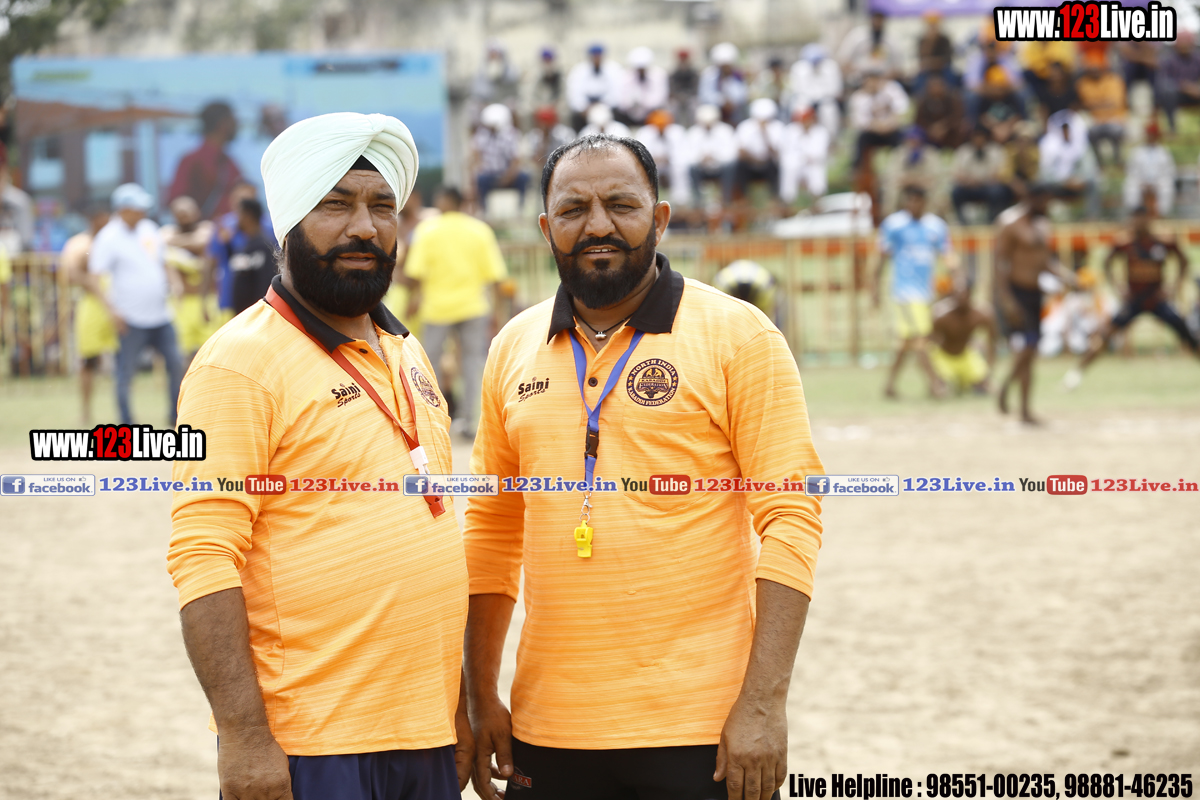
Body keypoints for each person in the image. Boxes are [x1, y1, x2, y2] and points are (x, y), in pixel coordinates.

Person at [464, 133, 823, 800]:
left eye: (621, 205)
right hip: (548, 729)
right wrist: (479, 693)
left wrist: (763, 703)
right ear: (546, 228)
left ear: (659, 218)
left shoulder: (741, 337)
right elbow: (490, 527)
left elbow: (792, 519)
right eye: (573, 210)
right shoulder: (512, 346)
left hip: (703, 731)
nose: (597, 225)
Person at [167, 111, 473, 800]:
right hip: (311, 742)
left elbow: (429, 533)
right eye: (336, 204)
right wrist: (244, 737)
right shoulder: (239, 362)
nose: (364, 227)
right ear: (289, 221)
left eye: (382, 206)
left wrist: (452, 705)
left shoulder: (408, 351)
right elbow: (203, 554)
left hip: (424, 734)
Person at [404, 186, 507, 437]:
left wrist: (413, 300)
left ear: (444, 202)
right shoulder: (479, 230)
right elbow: (495, 276)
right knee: (472, 364)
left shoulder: (427, 230)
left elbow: (415, 274)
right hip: (473, 307)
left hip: (436, 309)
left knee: (430, 366)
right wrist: (497, 312)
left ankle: (435, 421)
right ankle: (471, 422)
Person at [1064, 206, 1198, 389]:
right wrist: (1118, 288)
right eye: (1135, 219)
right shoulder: (1125, 242)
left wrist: (1173, 287)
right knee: (1105, 335)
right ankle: (1076, 373)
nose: (1139, 223)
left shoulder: (1163, 241)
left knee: (1187, 334)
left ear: (1150, 219)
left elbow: (1183, 261)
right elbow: (1107, 262)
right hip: (1135, 300)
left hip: (1157, 299)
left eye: (1142, 218)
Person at [85, 183, 184, 426]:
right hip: (130, 318)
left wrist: (175, 283)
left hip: (161, 315)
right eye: (138, 208)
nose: (143, 212)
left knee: (176, 363)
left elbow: (163, 261)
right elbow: (95, 278)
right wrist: (112, 311)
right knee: (126, 372)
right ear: (123, 210)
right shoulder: (108, 237)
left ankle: (175, 416)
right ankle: (126, 423)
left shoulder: (149, 229)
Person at [994, 184, 1078, 423]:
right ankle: (1008, 387)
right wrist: (1006, 299)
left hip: (1034, 294)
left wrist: (1068, 278)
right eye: (1045, 201)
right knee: (1028, 347)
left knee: (1031, 352)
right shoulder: (1010, 223)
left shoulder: (1042, 225)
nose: (1048, 206)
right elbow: (1000, 262)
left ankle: (1024, 409)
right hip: (1015, 294)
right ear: (1032, 199)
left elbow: (1044, 261)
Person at [873, 184, 954, 399]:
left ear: (925, 202)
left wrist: (955, 276)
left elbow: (948, 256)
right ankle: (936, 384)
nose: (914, 204)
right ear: (905, 202)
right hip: (905, 293)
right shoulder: (894, 225)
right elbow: (881, 258)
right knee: (921, 338)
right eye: (911, 200)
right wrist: (874, 288)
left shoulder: (936, 226)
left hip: (926, 293)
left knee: (906, 342)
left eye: (918, 200)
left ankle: (889, 386)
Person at [63, 203, 115, 423]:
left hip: (119, 304)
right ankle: (86, 412)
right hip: (92, 306)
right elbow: (71, 274)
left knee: (124, 360)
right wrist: (96, 288)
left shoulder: (117, 240)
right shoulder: (80, 244)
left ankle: (123, 412)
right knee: (88, 361)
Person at [208, 180, 276, 322]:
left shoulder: (268, 234)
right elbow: (219, 261)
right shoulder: (226, 228)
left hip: (260, 310)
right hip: (234, 304)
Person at [161, 196, 216, 367]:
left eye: (187, 214)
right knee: (181, 354)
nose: (184, 218)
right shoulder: (167, 231)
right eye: (179, 215)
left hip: (207, 300)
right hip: (181, 302)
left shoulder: (207, 228)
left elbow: (203, 241)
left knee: (213, 351)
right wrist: (192, 243)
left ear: (196, 212)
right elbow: (162, 241)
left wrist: (177, 244)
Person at [168, 101, 244, 219]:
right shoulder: (192, 161)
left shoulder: (229, 162)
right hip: (205, 229)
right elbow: (178, 200)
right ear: (223, 124)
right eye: (233, 120)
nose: (237, 125)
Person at [930, 282, 997, 394]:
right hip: (943, 355)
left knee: (989, 388)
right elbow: (930, 342)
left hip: (965, 354)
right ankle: (946, 381)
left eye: (963, 294)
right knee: (942, 391)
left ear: (970, 295)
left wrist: (988, 368)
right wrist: (933, 378)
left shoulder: (982, 314)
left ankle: (970, 382)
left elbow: (992, 341)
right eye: (956, 294)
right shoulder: (941, 315)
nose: (960, 298)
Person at [1039, 109, 1099, 218]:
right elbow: (1045, 173)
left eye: (1067, 129)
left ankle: (1091, 217)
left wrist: (1079, 180)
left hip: (1078, 184)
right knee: (1040, 186)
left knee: (1093, 183)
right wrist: (1063, 181)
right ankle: (1044, 218)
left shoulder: (1082, 145)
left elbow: (1090, 170)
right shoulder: (1048, 146)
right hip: (1056, 185)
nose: (1065, 132)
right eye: (1062, 129)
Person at [848, 64, 908, 168]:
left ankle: (902, 167)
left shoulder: (891, 88)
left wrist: (889, 124)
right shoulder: (858, 97)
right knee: (861, 139)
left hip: (891, 129)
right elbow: (860, 121)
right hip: (872, 132)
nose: (873, 83)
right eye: (870, 79)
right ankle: (858, 169)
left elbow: (901, 109)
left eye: (876, 79)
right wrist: (878, 126)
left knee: (903, 137)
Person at [473, 104, 530, 214]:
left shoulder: (511, 135)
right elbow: (476, 155)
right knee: (480, 179)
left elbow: (516, 160)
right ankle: (484, 211)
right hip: (489, 175)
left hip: (508, 174)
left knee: (523, 177)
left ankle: (521, 209)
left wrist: (508, 177)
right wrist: (480, 168)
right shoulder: (482, 135)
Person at [951, 126, 1014, 224]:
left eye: (981, 136)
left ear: (986, 138)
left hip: (988, 187)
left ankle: (994, 220)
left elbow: (1001, 173)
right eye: (976, 136)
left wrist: (987, 180)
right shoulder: (963, 151)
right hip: (969, 187)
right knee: (956, 192)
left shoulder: (996, 150)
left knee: (999, 191)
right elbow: (956, 173)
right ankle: (962, 221)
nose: (978, 139)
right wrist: (968, 181)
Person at [227, 197, 277, 314]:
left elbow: (265, 283)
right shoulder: (246, 245)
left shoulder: (264, 246)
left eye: (239, 213)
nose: (236, 218)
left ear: (248, 215)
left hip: (257, 315)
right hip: (245, 316)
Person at [686, 103, 738, 208]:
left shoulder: (725, 131)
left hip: (721, 167)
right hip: (701, 168)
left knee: (730, 166)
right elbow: (688, 154)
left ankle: (726, 199)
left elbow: (732, 153)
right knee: (691, 168)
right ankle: (697, 201)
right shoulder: (693, 132)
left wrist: (715, 157)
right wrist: (701, 159)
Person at [1075, 63, 1128, 166]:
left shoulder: (1113, 80)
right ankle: (1098, 163)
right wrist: (1103, 104)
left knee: (1117, 131)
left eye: (1098, 69)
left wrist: (1096, 105)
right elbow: (1084, 104)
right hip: (1095, 120)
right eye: (1092, 70)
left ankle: (1118, 161)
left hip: (1113, 118)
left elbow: (1114, 103)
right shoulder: (1083, 83)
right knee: (1088, 133)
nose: (1095, 72)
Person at [635, 108, 690, 205]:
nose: (661, 129)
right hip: (654, 164)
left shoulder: (677, 132)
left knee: (679, 168)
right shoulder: (645, 133)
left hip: (671, 164)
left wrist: (669, 159)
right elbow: (641, 153)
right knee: (644, 169)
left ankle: (680, 199)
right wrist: (653, 159)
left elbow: (682, 153)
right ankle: (647, 198)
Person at [566, 44, 626, 132]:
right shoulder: (578, 71)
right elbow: (574, 94)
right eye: (594, 56)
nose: (596, 59)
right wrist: (583, 108)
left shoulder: (614, 69)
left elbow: (617, 93)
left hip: (607, 107)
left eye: (599, 56)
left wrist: (604, 106)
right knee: (576, 119)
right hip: (586, 109)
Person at [734, 97, 784, 201]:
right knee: (738, 165)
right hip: (750, 163)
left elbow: (777, 154)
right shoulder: (745, 126)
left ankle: (775, 199)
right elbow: (741, 152)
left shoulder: (778, 127)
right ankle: (742, 199)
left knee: (778, 166)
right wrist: (755, 160)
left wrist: (764, 134)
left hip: (768, 164)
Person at [837, 10, 903, 87]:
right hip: (859, 81)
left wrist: (880, 80)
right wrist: (859, 73)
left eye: (880, 18)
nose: (877, 22)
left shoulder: (891, 39)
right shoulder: (857, 35)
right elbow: (843, 60)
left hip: (883, 82)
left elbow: (898, 68)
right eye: (876, 18)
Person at [779, 106, 831, 203]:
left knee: (817, 171)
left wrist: (807, 158)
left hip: (813, 163)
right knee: (789, 168)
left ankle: (817, 200)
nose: (805, 122)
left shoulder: (821, 132)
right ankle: (788, 201)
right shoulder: (790, 130)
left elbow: (820, 154)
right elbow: (786, 152)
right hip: (795, 163)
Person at [1123, 122, 1175, 215]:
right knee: (1130, 185)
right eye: (1149, 135)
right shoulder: (1137, 152)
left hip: (1158, 182)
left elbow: (1169, 172)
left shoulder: (1164, 152)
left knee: (1167, 187)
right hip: (1141, 181)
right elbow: (1132, 171)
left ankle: (1162, 214)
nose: (1150, 137)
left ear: (1156, 137)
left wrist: (1156, 183)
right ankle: (1135, 212)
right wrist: (1142, 183)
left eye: (1152, 135)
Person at [789, 44, 842, 135]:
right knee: (801, 119)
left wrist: (821, 99)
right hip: (806, 102)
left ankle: (830, 139)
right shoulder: (799, 68)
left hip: (825, 103)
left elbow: (836, 89)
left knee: (829, 120)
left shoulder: (831, 67)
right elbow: (796, 89)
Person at [1156, 31, 1200, 132]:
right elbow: (1163, 81)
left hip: (1196, 93)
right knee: (1168, 91)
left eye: (1187, 41)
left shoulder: (1198, 59)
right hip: (1177, 94)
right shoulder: (1168, 60)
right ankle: (1172, 128)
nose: (1184, 45)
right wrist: (1184, 86)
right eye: (1182, 41)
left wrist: (1196, 88)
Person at [698, 42, 749, 124]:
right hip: (715, 107)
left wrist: (733, 101)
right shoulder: (709, 75)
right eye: (723, 66)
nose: (726, 69)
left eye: (728, 66)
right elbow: (704, 95)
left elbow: (743, 94)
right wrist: (722, 101)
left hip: (734, 109)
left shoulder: (737, 75)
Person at [915, 72, 968, 150]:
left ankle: (956, 151)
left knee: (962, 127)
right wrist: (931, 128)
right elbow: (919, 119)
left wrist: (943, 126)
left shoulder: (953, 99)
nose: (936, 89)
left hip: (949, 129)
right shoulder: (923, 101)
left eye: (938, 85)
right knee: (915, 132)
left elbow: (957, 115)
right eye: (933, 86)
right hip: (929, 130)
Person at [619, 46, 669, 128]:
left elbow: (660, 99)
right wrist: (632, 102)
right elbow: (622, 100)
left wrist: (643, 102)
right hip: (630, 113)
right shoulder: (626, 76)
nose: (641, 71)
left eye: (643, 69)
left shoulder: (659, 75)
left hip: (651, 113)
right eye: (639, 69)